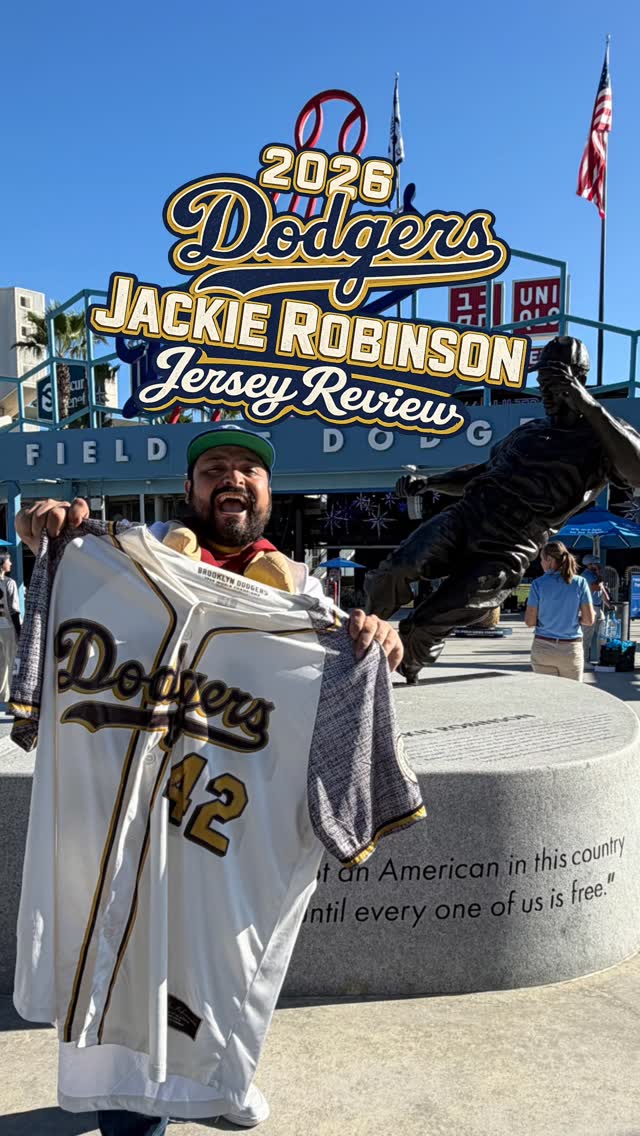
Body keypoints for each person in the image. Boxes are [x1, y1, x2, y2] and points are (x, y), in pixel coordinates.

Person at [15, 424, 404, 1136]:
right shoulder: (123, 563)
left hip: (219, 837)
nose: (232, 477)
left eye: (248, 468)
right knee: (118, 994)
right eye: (214, 468)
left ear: (268, 491)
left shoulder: (303, 596)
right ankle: (146, 1113)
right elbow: (53, 579)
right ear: (190, 489)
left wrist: (373, 648)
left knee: (215, 976)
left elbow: (342, 696)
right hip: (113, 821)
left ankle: (218, 1080)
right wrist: (48, 535)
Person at [365, 336, 640, 683]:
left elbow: (637, 470)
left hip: (511, 543)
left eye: (555, 383)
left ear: (579, 381)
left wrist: (587, 404)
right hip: (468, 516)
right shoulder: (529, 431)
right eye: (542, 384)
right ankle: (357, 639)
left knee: (429, 620)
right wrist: (430, 482)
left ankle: (400, 672)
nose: (547, 394)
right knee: (396, 569)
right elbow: (481, 472)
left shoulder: (603, 437)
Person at [524, 541, 594, 682]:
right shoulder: (580, 583)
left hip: (543, 647)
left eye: (542, 559)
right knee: (571, 693)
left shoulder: (538, 584)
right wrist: (573, 619)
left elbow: (530, 621)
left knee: (545, 693)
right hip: (570, 649)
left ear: (549, 560)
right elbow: (589, 620)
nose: (541, 563)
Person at [581, 555, 609, 664]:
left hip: (597, 607)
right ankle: (584, 660)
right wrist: (599, 576)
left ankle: (602, 657)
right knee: (587, 635)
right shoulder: (586, 575)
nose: (598, 565)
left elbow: (602, 591)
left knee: (603, 633)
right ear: (589, 564)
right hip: (589, 607)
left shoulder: (594, 575)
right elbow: (596, 587)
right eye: (595, 563)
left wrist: (609, 604)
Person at [0, 554, 21, 702]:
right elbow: (14, 610)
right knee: (11, 663)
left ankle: (2, 696)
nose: (11, 563)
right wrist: (19, 631)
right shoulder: (9, 583)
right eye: (8, 560)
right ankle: (10, 696)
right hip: (7, 627)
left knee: (1, 663)